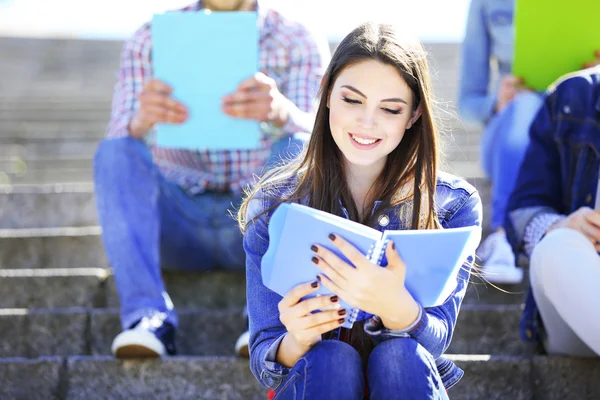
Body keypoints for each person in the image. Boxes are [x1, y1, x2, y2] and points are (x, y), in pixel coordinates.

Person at [238, 22, 483, 399]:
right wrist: (297, 338)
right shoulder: (273, 205)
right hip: (316, 381)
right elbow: (264, 361)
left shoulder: (453, 206)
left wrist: (398, 308)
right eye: (352, 100)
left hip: (405, 378)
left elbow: (435, 343)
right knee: (331, 358)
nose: (367, 122)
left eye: (390, 109)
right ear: (326, 94)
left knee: (400, 356)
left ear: (414, 115)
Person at [93, 0, 329, 359]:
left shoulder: (297, 38)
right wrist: (142, 120)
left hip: (258, 221)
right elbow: (119, 142)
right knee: (115, 151)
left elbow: (327, 145)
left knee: (300, 145)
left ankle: (265, 321)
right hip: (176, 220)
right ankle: (148, 319)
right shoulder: (150, 38)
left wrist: (283, 112)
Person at [459, 0, 600, 285]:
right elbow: (467, 103)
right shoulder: (486, 4)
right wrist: (497, 102)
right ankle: (502, 237)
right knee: (525, 106)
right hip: (508, 132)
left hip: (572, 129)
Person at [505, 67, 600, 357]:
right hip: (580, 296)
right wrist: (562, 226)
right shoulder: (573, 95)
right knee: (556, 247)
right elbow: (521, 211)